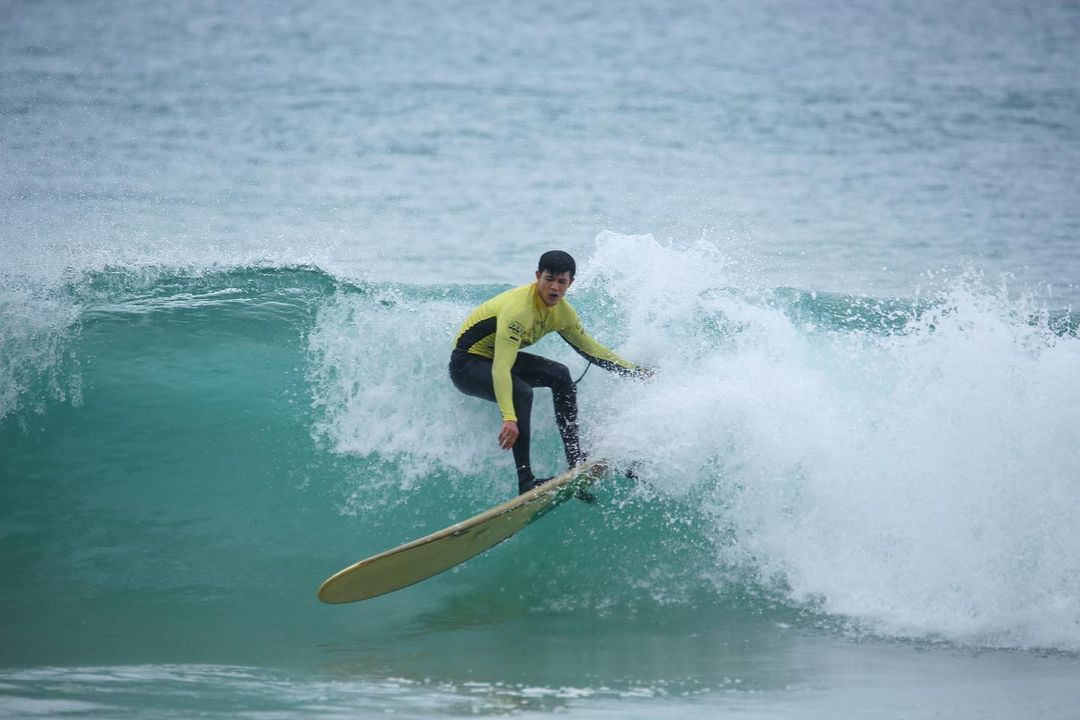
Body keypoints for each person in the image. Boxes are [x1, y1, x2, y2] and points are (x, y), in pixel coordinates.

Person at [449, 250, 651, 495]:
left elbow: (591, 351)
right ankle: (526, 481)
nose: (554, 287)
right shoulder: (519, 310)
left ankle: (575, 460)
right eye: (549, 279)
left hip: (494, 359)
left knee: (560, 375)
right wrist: (509, 418)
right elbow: (501, 367)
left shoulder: (563, 313)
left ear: (570, 283)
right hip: (467, 364)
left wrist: (635, 372)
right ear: (538, 277)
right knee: (521, 393)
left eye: (562, 281)